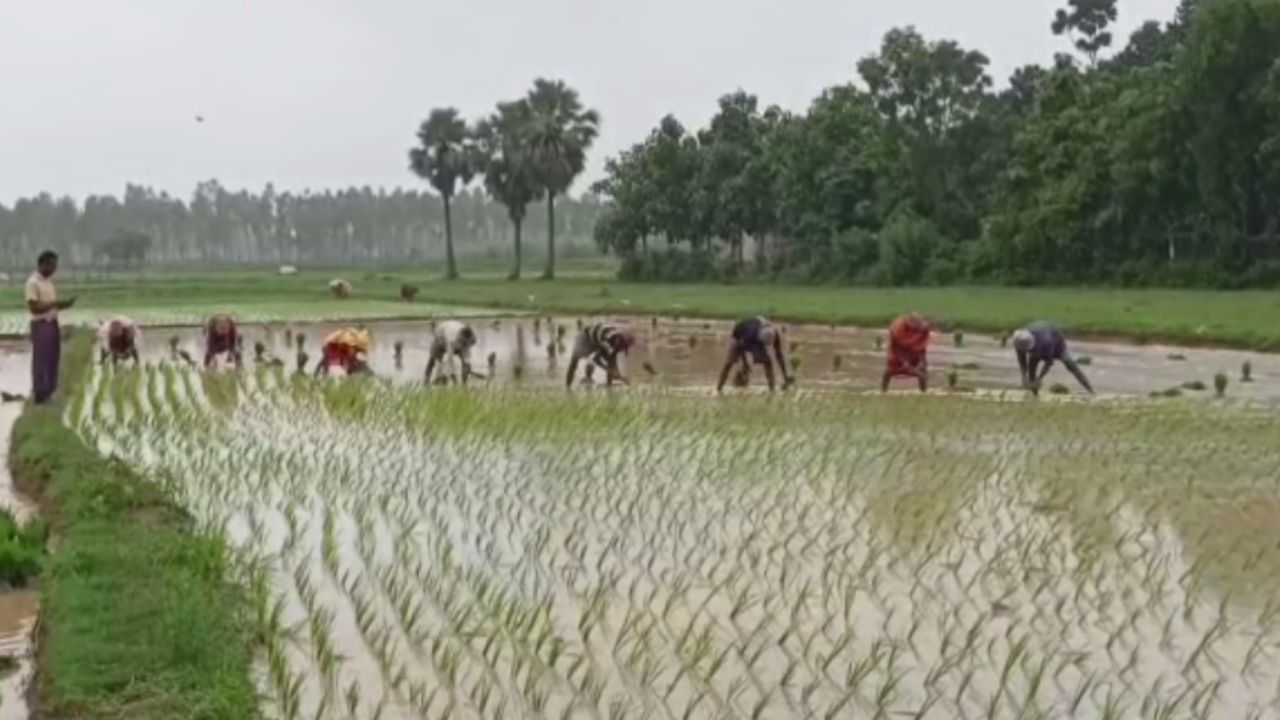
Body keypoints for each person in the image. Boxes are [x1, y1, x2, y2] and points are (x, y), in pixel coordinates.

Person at [25, 251, 75, 404]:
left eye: (55, 265)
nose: (54, 269)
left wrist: (63, 305)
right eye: (52, 265)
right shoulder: (32, 282)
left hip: (52, 323)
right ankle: (40, 393)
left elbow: (49, 306)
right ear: (43, 264)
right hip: (41, 325)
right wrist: (55, 304)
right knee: (41, 359)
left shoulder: (49, 282)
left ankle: (50, 391)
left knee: (53, 358)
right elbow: (34, 307)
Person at [1012, 322, 1094, 394]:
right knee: (1032, 367)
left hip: (1056, 343)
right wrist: (1024, 377)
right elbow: (1022, 361)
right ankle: (1034, 396)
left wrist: (1040, 378)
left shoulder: (1046, 341)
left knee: (1069, 363)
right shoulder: (1019, 340)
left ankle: (1091, 391)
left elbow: (1048, 362)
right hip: (1039, 342)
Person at [716, 316, 792, 393]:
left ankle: (772, 390)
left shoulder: (774, 333)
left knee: (768, 362)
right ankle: (719, 388)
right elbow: (740, 346)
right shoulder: (751, 335)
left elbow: (779, 355)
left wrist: (785, 376)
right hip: (738, 334)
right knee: (729, 363)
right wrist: (745, 364)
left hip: (755, 333)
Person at [566, 323, 636, 387]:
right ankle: (568, 386)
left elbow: (613, 361)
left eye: (624, 348)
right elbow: (596, 359)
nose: (621, 349)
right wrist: (609, 370)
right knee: (574, 361)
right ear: (619, 340)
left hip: (597, 340)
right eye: (622, 346)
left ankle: (609, 386)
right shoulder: (608, 341)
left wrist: (619, 376)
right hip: (584, 338)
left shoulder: (616, 342)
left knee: (610, 363)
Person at [882, 313, 932, 392]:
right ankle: (883, 391)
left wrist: (921, 362)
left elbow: (922, 349)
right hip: (898, 355)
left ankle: (924, 392)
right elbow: (895, 349)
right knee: (888, 372)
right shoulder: (897, 330)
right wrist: (906, 364)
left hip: (914, 353)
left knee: (922, 373)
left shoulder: (922, 333)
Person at [426, 320, 479, 385]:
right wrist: (454, 379)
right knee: (433, 359)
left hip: (453, 334)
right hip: (440, 337)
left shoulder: (472, 338)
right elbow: (450, 360)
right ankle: (426, 379)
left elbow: (467, 355)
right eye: (463, 343)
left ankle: (464, 384)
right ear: (460, 340)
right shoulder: (451, 339)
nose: (464, 345)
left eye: (466, 344)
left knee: (465, 363)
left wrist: (467, 365)